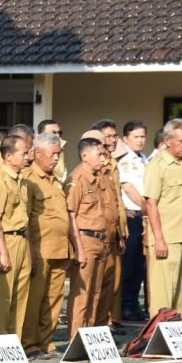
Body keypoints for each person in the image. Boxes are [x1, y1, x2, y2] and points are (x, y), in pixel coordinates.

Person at [22, 133, 77, 358]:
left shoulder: (55, 179)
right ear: (36, 153)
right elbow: (24, 218)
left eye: (58, 154)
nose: (56, 158)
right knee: (34, 301)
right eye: (52, 154)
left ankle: (47, 342)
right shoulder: (29, 179)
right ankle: (30, 344)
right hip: (39, 248)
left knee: (54, 300)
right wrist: (30, 251)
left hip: (59, 248)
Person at [143, 119, 182, 325]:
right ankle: (160, 334)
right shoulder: (157, 166)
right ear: (167, 141)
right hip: (167, 238)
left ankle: (180, 333)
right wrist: (158, 238)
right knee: (164, 290)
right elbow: (151, 204)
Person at [65, 136, 115, 341]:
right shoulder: (77, 179)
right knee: (81, 293)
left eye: (104, 154)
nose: (103, 159)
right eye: (99, 154)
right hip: (85, 239)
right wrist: (79, 248)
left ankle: (89, 336)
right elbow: (71, 216)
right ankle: (75, 339)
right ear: (85, 156)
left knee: (95, 292)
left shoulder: (98, 178)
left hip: (101, 240)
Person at [0, 135, 33, 339]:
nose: (27, 157)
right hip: (6, 241)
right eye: (23, 153)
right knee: (2, 298)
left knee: (20, 298)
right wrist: (3, 253)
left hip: (21, 240)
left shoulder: (21, 180)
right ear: (9, 156)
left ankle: (14, 344)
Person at [118, 120, 149, 321]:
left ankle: (133, 303)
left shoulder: (144, 158)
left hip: (144, 216)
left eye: (142, 136)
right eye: (136, 137)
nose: (140, 140)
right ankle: (125, 305)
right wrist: (148, 208)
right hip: (132, 215)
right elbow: (128, 187)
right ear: (126, 139)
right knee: (128, 264)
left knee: (140, 264)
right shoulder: (124, 160)